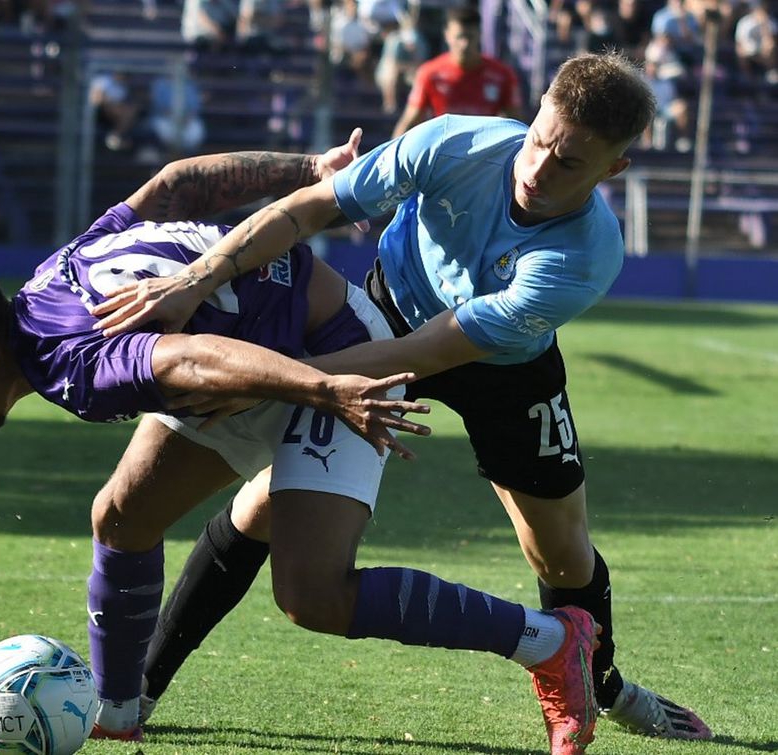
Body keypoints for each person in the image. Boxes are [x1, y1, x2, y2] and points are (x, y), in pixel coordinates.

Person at [0, 141, 601, 754]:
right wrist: (305, 166)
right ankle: (119, 712)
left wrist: (332, 391)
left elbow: (193, 357)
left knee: (311, 595)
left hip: (326, 353)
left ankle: (548, 639)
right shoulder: (48, 280)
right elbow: (173, 186)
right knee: (122, 515)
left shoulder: (72, 366)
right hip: (248, 363)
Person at [90, 52, 713, 743]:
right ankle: (140, 684)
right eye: (539, 141)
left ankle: (597, 687)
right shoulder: (452, 142)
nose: (538, 169)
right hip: (382, 314)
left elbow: (430, 353)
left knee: (560, 553)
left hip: (499, 367)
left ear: (611, 171)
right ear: (534, 111)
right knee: (265, 500)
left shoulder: (583, 258)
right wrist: (201, 278)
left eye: (569, 163)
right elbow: (309, 208)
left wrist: (275, 380)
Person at [391, 6, 523, 137]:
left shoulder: (502, 75)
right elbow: (409, 120)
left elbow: (517, 125)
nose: (464, 44)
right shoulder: (430, 73)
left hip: (485, 152)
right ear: (447, 36)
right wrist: (390, 154)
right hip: (444, 151)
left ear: (480, 35)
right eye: (459, 37)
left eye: (470, 37)